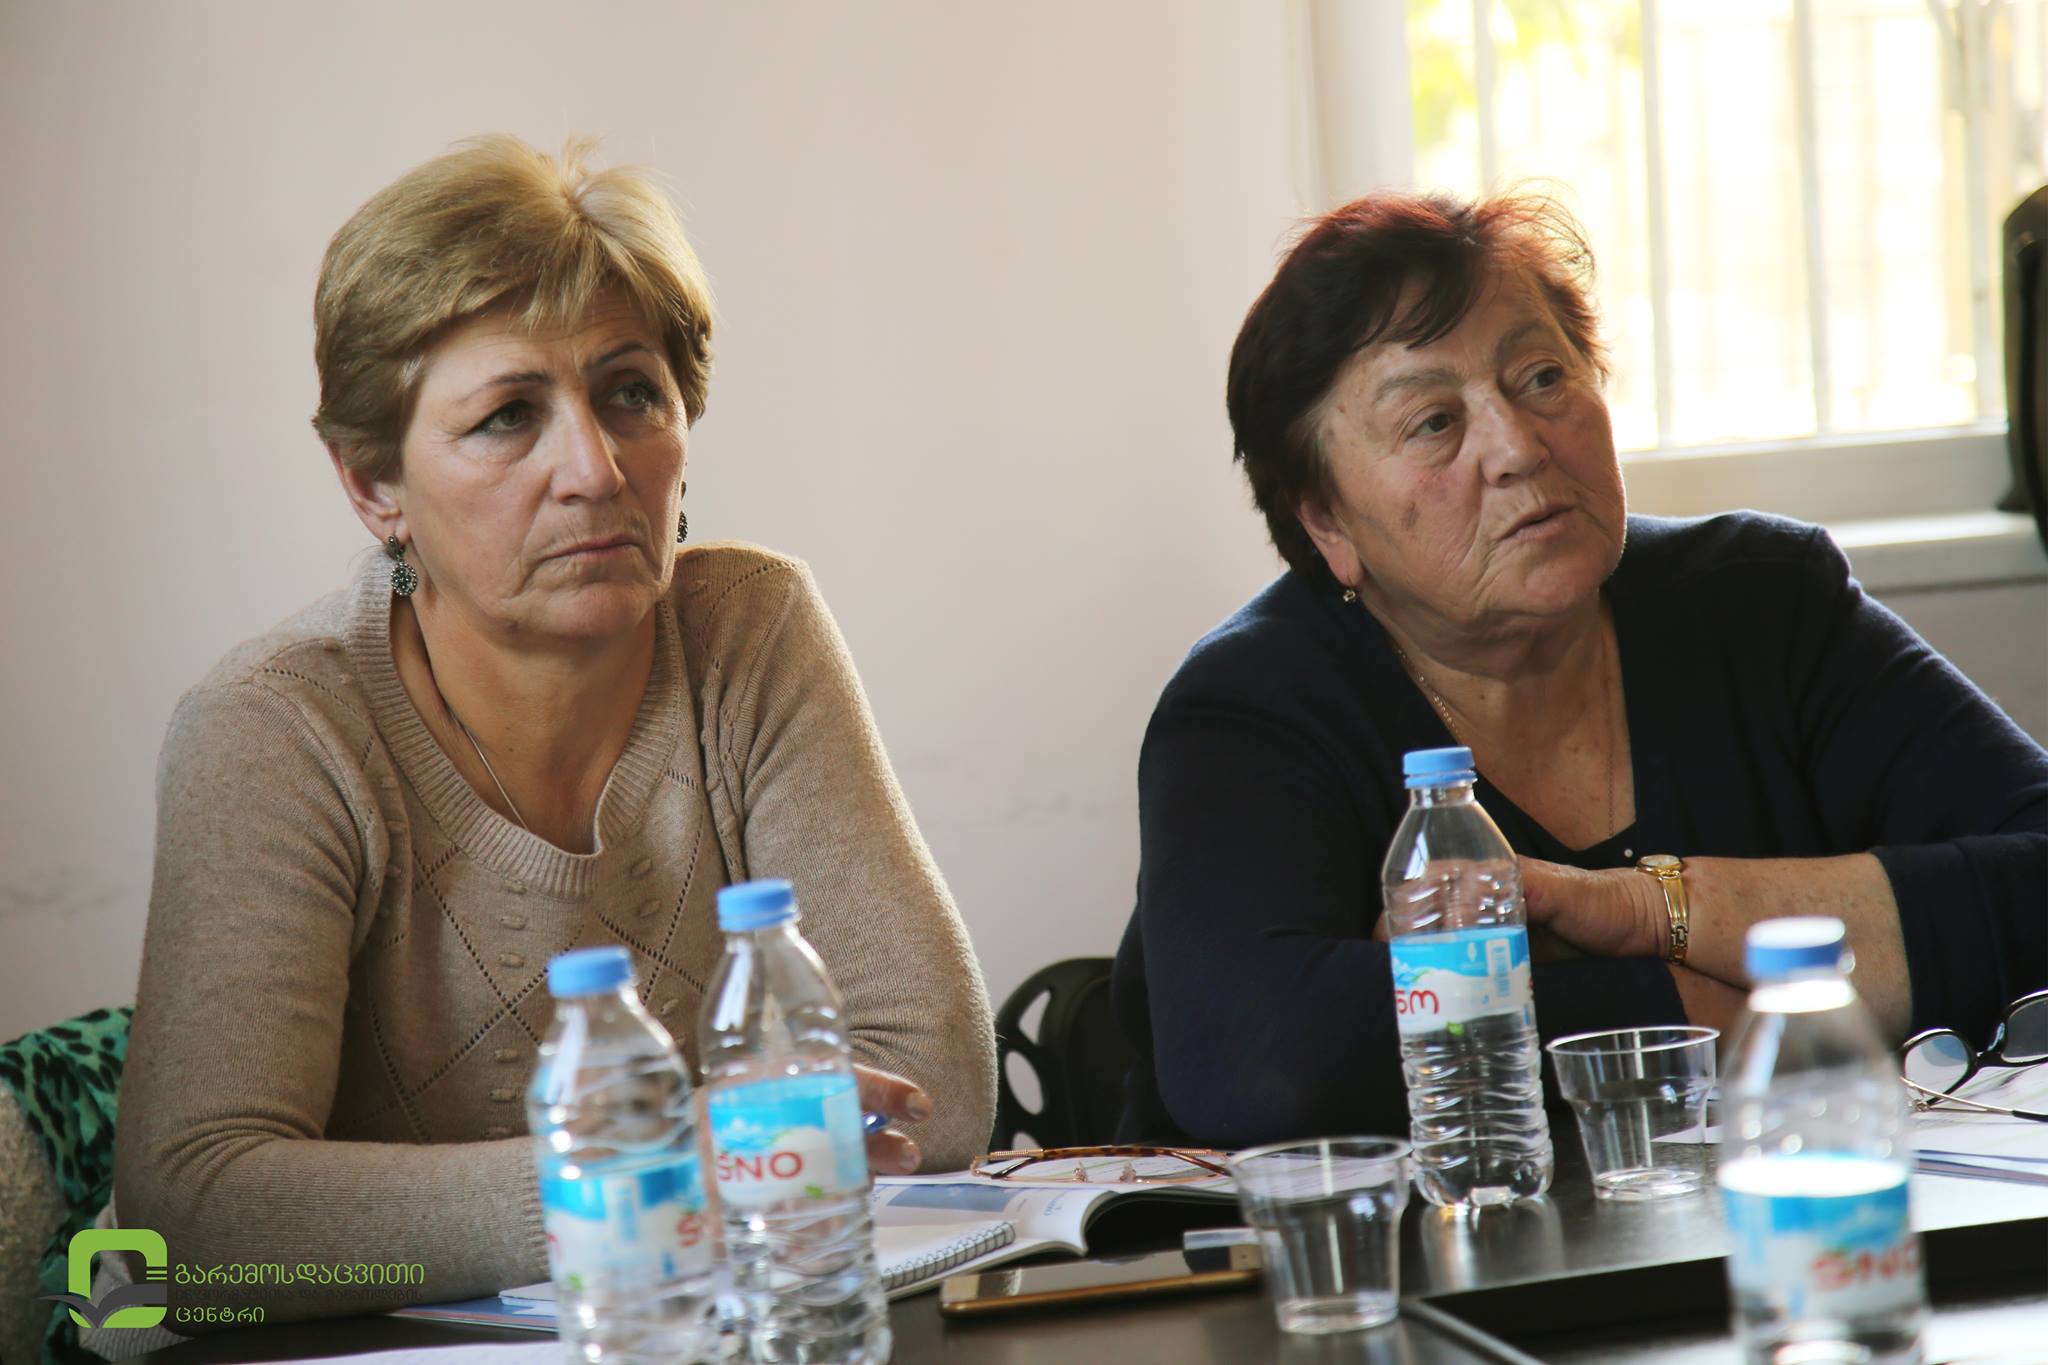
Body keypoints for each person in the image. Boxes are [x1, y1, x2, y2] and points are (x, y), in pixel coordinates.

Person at [103, 136, 995, 1337]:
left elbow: (929, 1084)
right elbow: (194, 1216)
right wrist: (642, 1176)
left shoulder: (750, 629)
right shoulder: (276, 725)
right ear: (373, 486)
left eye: (629, 393)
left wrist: (672, 1182)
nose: (594, 468)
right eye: (508, 417)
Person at [1112, 190, 2048, 1150]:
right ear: (1326, 521)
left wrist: (1643, 911)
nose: (1519, 446)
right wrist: (1695, 1010)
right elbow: (1262, 1061)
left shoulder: (1764, 601)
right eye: (1433, 422)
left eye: (1542, 376)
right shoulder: (1252, 709)